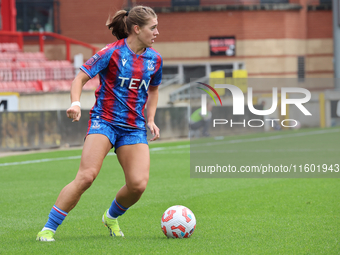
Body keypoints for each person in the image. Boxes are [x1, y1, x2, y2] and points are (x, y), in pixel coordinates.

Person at [36, 5, 162, 241]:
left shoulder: (155, 59)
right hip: (104, 121)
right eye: (153, 28)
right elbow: (81, 77)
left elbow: (153, 90)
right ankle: (48, 228)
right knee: (86, 177)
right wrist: (75, 103)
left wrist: (151, 119)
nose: (157, 32)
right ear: (137, 28)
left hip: (133, 128)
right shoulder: (111, 52)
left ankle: (111, 216)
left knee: (138, 185)